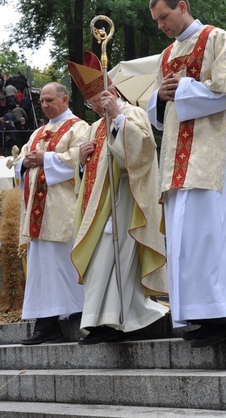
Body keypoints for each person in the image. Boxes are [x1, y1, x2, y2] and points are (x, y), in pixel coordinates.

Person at [147, 0, 226, 348]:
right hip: (176, 160)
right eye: (156, 21)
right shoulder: (167, 54)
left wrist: (183, 88)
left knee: (209, 234)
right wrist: (160, 96)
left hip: (210, 155)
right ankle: (200, 314)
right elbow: (159, 111)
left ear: (181, 6)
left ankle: (224, 311)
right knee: (185, 239)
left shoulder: (217, 38)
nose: (161, 27)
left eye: (164, 18)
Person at [68, 52, 168, 344]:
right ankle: (98, 321)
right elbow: (86, 176)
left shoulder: (133, 114)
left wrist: (118, 121)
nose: (96, 107)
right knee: (99, 260)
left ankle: (118, 320)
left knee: (117, 260)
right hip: (97, 209)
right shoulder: (94, 126)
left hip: (124, 202)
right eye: (92, 104)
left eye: (99, 100)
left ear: (111, 92)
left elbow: (141, 156)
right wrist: (82, 161)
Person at [15, 82, 89, 345]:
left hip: (62, 209)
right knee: (42, 268)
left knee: (65, 264)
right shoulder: (37, 133)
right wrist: (24, 163)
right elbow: (21, 162)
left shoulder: (79, 127)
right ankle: (46, 324)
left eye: (49, 100)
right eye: (41, 101)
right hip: (37, 212)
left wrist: (45, 159)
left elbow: (81, 159)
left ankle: (79, 316)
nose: (44, 105)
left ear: (65, 99)